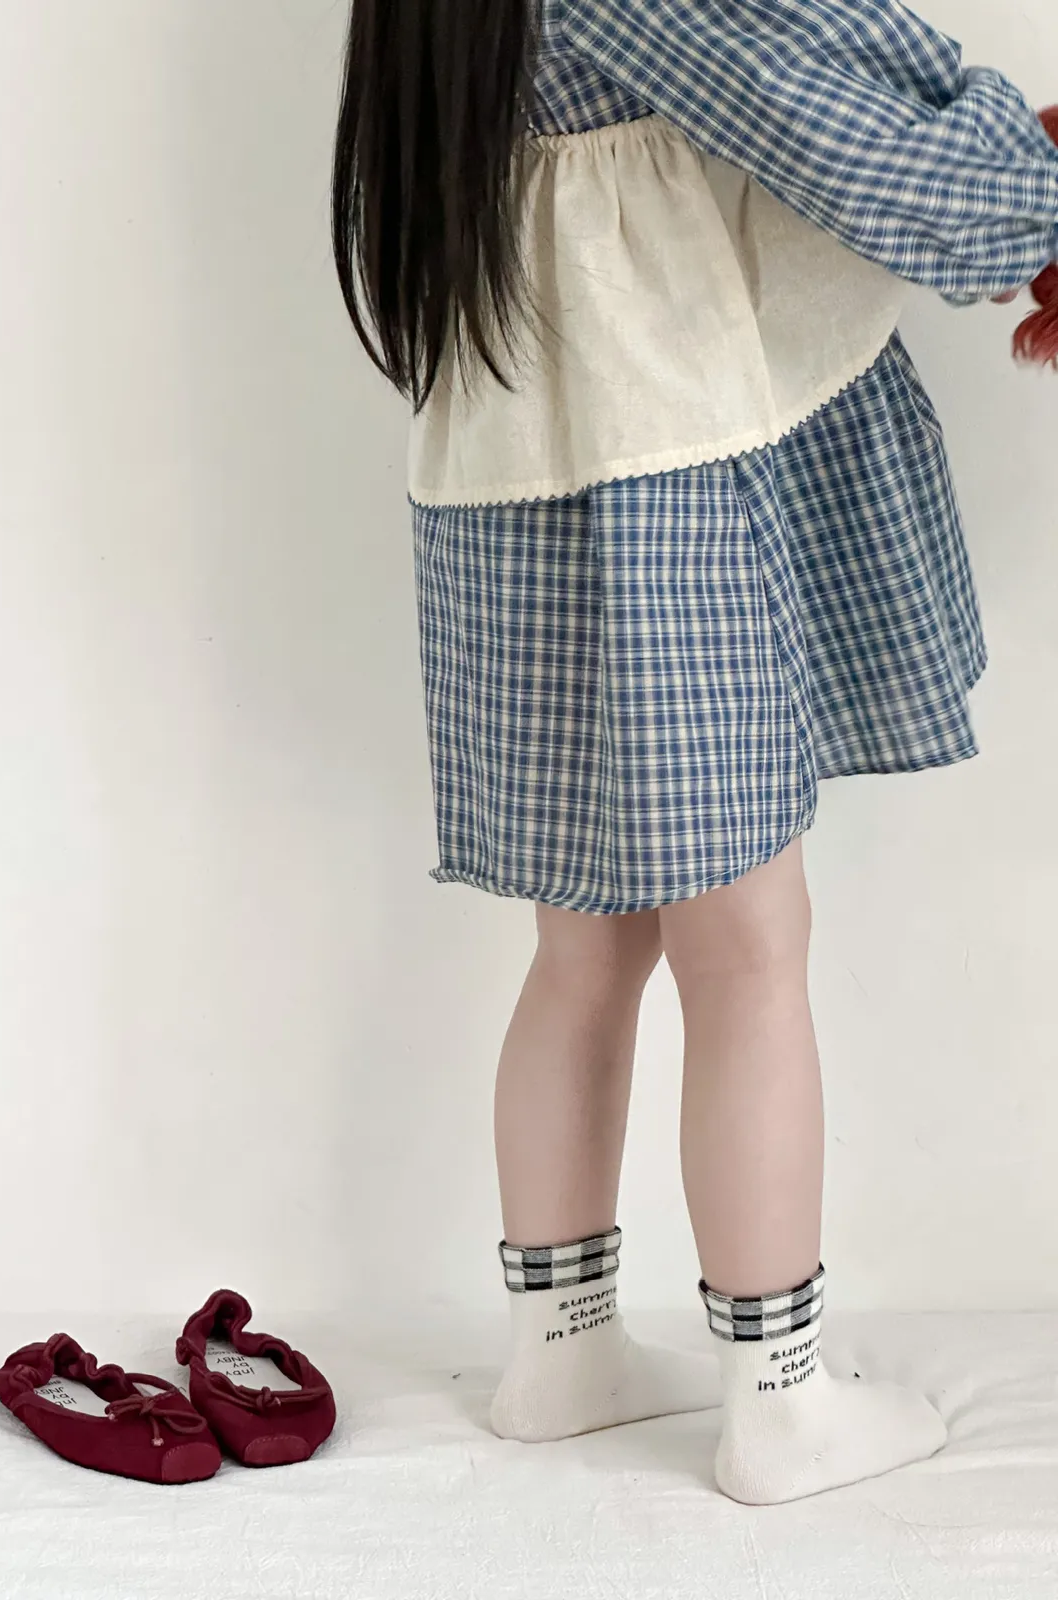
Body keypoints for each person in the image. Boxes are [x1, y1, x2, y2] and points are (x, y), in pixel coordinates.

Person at [331, 0, 1058, 1505]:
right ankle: (781, 1403)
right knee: (749, 948)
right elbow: (839, 121)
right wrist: (1029, 192)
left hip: (509, 488)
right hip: (662, 490)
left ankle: (562, 1355)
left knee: (585, 950)